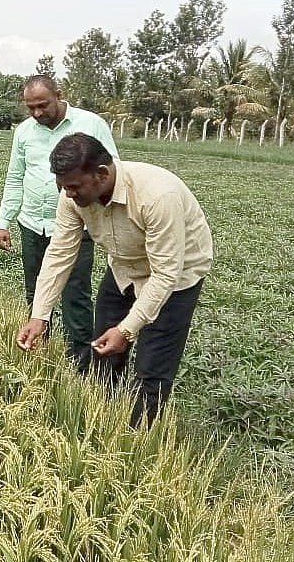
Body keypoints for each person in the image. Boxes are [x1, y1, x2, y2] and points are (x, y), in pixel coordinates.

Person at [16, 133, 213, 427]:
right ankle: (101, 420)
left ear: (102, 174)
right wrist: (40, 315)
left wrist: (128, 329)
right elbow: (60, 253)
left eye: (73, 187)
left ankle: (136, 440)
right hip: (123, 268)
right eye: (63, 187)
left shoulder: (157, 195)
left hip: (176, 277)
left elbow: (164, 274)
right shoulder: (72, 196)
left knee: (151, 368)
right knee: (103, 352)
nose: (68, 194)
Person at [0, 75, 119, 370]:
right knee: (36, 291)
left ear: (59, 95)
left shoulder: (91, 124)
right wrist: (4, 221)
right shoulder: (24, 132)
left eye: (43, 105)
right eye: (31, 107)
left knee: (76, 296)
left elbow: (112, 172)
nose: (37, 113)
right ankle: (40, 350)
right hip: (33, 224)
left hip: (79, 226)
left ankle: (81, 363)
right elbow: (15, 177)